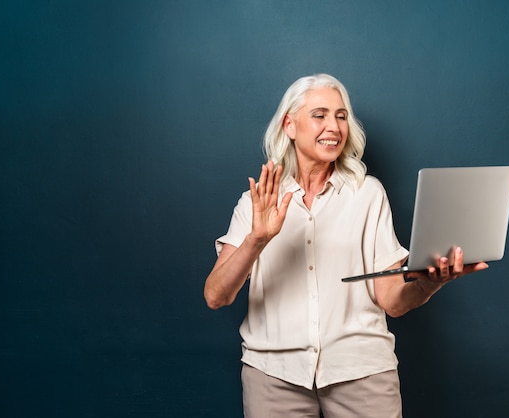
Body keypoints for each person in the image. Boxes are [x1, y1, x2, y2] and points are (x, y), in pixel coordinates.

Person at [204, 74, 488, 418]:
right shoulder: (255, 203)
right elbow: (216, 296)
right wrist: (256, 240)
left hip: (362, 372)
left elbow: (392, 302)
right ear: (289, 125)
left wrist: (430, 282)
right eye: (320, 115)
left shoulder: (367, 194)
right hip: (273, 377)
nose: (334, 127)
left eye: (341, 116)